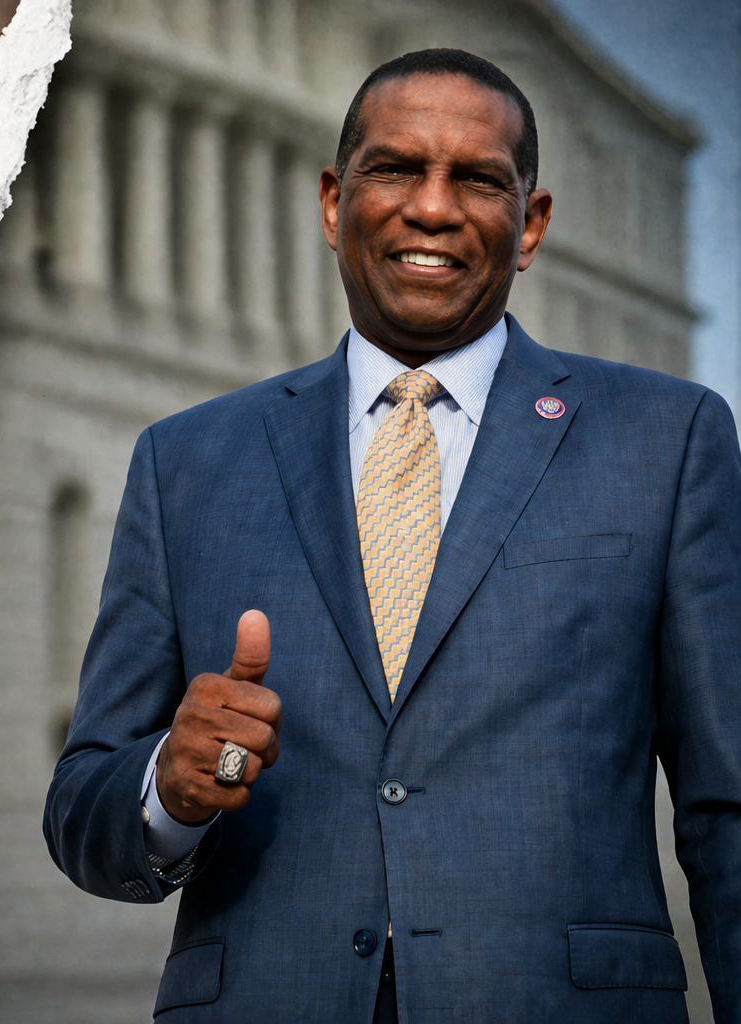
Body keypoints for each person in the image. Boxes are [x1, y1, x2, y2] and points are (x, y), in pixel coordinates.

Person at [44, 48, 740, 1022]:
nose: (433, 208)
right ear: (335, 203)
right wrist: (169, 785)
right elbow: (81, 807)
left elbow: (728, 804)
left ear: (531, 224)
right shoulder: (187, 462)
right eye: (397, 169)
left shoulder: (666, 440)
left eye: (479, 180)